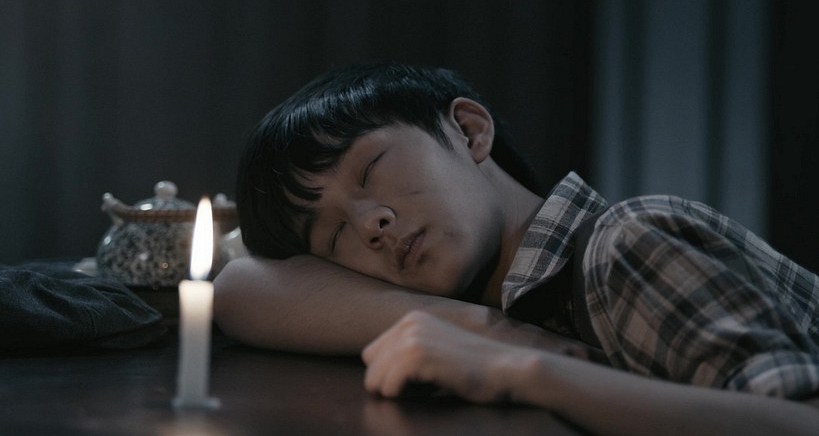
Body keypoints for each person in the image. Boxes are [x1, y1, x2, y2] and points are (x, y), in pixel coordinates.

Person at [214, 62, 819, 435]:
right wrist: (489, 331)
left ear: (469, 130)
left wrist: (522, 371)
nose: (371, 222)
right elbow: (243, 288)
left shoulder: (622, 244)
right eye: (334, 236)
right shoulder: (520, 304)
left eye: (371, 169)